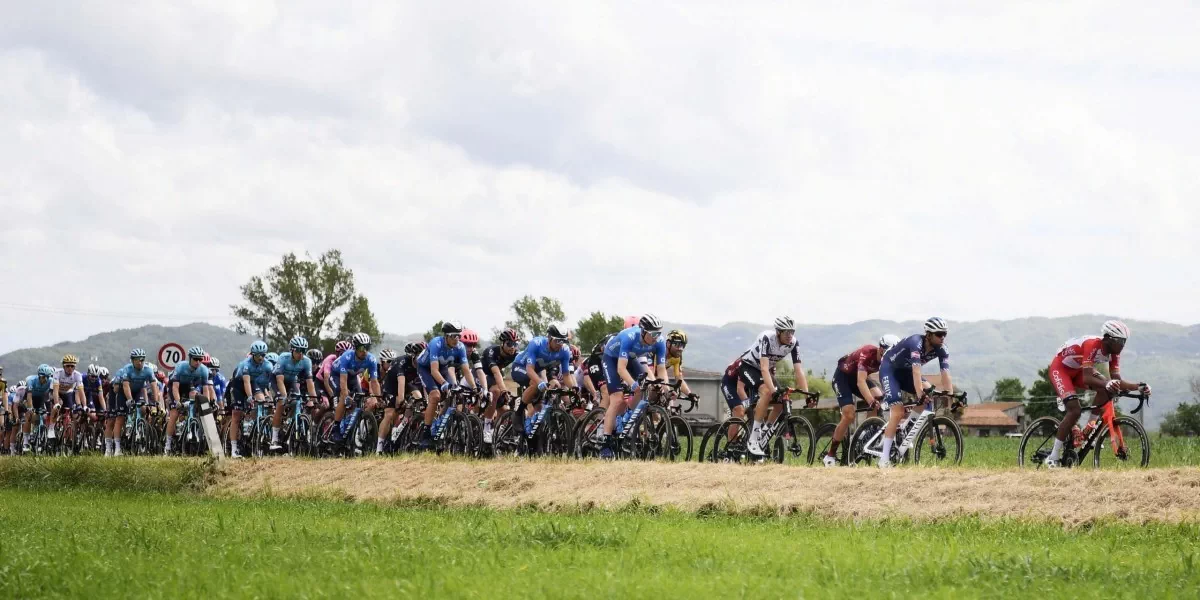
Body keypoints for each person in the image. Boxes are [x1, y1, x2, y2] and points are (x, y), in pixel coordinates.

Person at [1044, 320, 1149, 467]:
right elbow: (1088, 378)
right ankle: (1053, 457)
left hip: (1078, 369)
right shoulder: (1092, 344)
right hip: (1061, 369)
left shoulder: (1114, 353)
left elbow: (1117, 380)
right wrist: (1107, 383)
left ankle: (1088, 430)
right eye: (1119, 341)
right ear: (1107, 338)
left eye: (1124, 342)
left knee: (1107, 388)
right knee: (1075, 410)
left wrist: (1138, 387)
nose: (1122, 346)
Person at [876, 317, 953, 468]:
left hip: (906, 372)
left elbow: (945, 373)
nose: (942, 337)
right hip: (889, 370)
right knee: (897, 412)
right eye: (939, 334)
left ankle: (906, 427)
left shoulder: (942, 349)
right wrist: (920, 394)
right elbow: (916, 372)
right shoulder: (916, 343)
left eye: (944, 334)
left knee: (929, 391)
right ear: (929, 335)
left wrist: (950, 394)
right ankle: (883, 459)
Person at [824, 334, 899, 466]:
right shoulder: (867, 352)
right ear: (881, 349)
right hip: (843, 378)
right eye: (888, 352)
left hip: (858, 378)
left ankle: (864, 435)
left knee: (879, 396)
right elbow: (860, 382)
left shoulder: (887, 360)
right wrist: (870, 401)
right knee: (849, 414)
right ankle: (830, 455)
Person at [600, 314, 668, 457]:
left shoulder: (660, 341)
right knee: (617, 398)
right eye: (653, 333)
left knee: (645, 387)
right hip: (611, 358)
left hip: (631, 357)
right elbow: (621, 369)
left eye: (659, 333)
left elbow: (661, 370)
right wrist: (632, 384)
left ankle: (626, 416)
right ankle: (605, 443)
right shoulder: (629, 336)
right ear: (643, 331)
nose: (656, 337)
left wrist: (665, 387)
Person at [740, 316, 809, 458]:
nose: (790, 335)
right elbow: (764, 369)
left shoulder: (794, 343)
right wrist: (773, 391)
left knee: (782, 400)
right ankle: (754, 437)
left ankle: (765, 431)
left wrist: (807, 394)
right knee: (767, 392)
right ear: (778, 332)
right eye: (786, 332)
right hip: (749, 367)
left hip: (764, 371)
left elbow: (798, 370)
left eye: (792, 332)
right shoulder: (767, 338)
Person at [415, 321, 477, 446]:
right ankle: (426, 432)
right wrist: (444, 383)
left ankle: (439, 423)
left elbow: (466, 370)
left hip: (442, 368)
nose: (456, 339)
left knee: (454, 392)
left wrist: (475, 387)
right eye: (453, 336)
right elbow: (433, 370)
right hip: (425, 368)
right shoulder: (436, 343)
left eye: (458, 336)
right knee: (435, 395)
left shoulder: (460, 347)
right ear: (446, 336)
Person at [511, 325, 576, 427]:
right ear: (549, 338)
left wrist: (573, 388)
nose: (560, 344)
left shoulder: (565, 351)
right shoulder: (537, 343)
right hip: (521, 367)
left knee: (542, 404)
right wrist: (540, 382)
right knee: (535, 384)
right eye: (557, 341)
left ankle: (532, 431)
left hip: (538, 371)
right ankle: (518, 414)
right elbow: (529, 369)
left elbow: (566, 375)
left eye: (563, 341)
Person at [107, 349, 162, 457]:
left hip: (138, 390)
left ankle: (139, 427)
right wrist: (129, 400)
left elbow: (154, 386)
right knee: (120, 418)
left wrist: (156, 402)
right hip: (124, 392)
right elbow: (126, 386)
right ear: (132, 360)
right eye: (137, 360)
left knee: (142, 409)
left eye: (142, 360)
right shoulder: (127, 369)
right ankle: (117, 448)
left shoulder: (148, 370)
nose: (139, 362)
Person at [330, 333, 382, 444]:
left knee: (360, 398)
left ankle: (350, 429)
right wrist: (346, 396)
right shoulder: (347, 357)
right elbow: (343, 382)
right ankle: (336, 427)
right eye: (362, 348)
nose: (365, 351)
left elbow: (374, 382)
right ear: (355, 348)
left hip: (352, 376)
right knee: (344, 397)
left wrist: (378, 398)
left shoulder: (371, 359)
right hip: (337, 375)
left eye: (367, 347)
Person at [269, 336, 318, 452]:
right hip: (277, 380)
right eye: (298, 351)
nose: (301, 354)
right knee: (281, 403)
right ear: (292, 350)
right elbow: (279, 380)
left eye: (303, 351)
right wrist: (284, 396)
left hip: (291, 380)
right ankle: (274, 439)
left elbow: (310, 382)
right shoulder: (283, 358)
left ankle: (288, 426)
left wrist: (314, 398)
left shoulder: (307, 361)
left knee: (297, 401)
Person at [164, 346, 214, 455]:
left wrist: (207, 404)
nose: (198, 362)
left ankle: (191, 423)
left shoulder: (204, 370)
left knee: (195, 398)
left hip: (190, 387)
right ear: (190, 358)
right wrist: (178, 402)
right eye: (195, 359)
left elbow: (206, 390)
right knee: (175, 413)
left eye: (200, 359)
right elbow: (175, 388)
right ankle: (167, 445)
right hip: (176, 386)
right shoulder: (181, 367)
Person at [229, 341, 275, 458]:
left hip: (253, 383)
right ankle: (234, 449)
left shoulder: (268, 365)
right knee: (236, 415)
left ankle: (253, 424)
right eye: (258, 355)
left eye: (263, 355)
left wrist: (272, 397)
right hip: (238, 385)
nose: (261, 358)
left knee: (261, 400)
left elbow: (270, 383)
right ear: (253, 354)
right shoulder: (246, 364)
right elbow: (246, 382)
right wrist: (249, 397)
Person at [378, 344, 423, 454]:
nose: (421, 360)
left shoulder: (423, 364)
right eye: (419, 358)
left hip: (406, 384)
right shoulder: (402, 362)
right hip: (391, 385)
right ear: (413, 357)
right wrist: (401, 400)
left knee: (419, 397)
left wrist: (425, 400)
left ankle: (402, 427)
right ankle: (379, 447)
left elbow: (425, 384)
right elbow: (401, 384)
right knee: (390, 413)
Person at [479, 329, 520, 443]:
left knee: (504, 409)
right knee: (496, 391)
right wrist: (504, 390)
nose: (513, 347)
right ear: (502, 343)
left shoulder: (515, 354)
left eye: (515, 344)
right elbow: (496, 373)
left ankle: (496, 432)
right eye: (509, 344)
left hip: (495, 376)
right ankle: (487, 427)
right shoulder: (491, 352)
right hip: (482, 375)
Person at [20, 364, 58, 452]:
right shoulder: (31, 380)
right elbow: (29, 396)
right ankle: (26, 441)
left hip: (41, 398)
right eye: (43, 377)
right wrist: (30, 409)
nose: (45, 379)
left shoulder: (51, 381)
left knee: (43, 416)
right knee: (29, 415)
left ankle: (38, 434)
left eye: (48, 377)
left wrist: (53, 407)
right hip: (29, 398)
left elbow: (51, 395)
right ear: (39, 376)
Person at [52, 354, 86, 441]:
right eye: (68, 366)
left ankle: (69, 435)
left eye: (72, 366)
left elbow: (81, 392)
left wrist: (85, 405)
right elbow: (55, 390)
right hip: (58, 393)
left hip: (68, 393)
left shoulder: (77, 375)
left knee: (72, 413)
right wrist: (56, 403)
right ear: (63, 366)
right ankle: (51, 428)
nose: (70, 368)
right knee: (59, 405)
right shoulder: (58, 373)